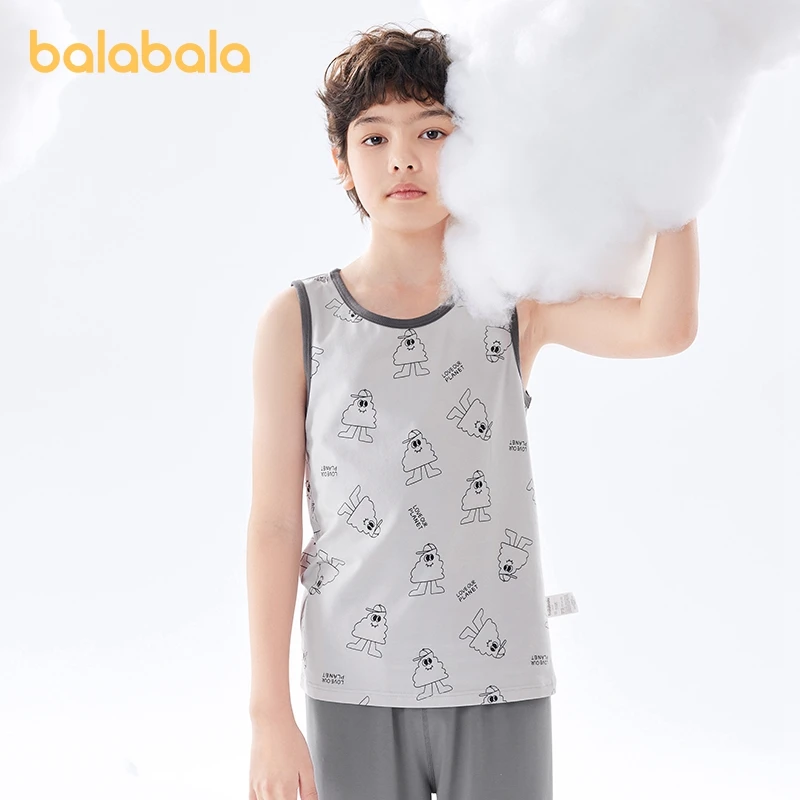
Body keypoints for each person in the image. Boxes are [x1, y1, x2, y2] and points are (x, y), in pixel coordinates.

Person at [246, 24, 699, 800]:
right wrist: (268, 716)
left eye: (431, 131)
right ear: (341, 160)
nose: (403, 159)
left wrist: (675, 188)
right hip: (351, 684)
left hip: (500, 678)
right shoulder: (300, 319)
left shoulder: (512, 300)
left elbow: (664, 329)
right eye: (374, 136)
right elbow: (274, 526)